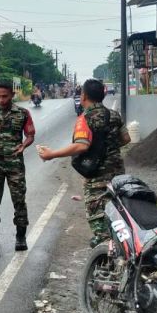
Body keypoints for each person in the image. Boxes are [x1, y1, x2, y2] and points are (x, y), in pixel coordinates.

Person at [38, 79, 130, 247]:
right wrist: (109, 150)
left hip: (96, 179)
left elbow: (81, 145)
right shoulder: (114, 115)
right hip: (118, 175)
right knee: (117, 215)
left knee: (99, 223)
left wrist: (52, 154)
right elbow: (126, 138)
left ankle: (108, 259)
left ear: (84, 96)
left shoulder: (85, 118)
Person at [0, 80, 35, 251]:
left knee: (19, 200)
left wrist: (24, 145)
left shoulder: (23, 113)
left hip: (15, 164)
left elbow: (30, 134)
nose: (1, 100)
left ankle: (20, 237)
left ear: (12, 95)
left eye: (4, 96)